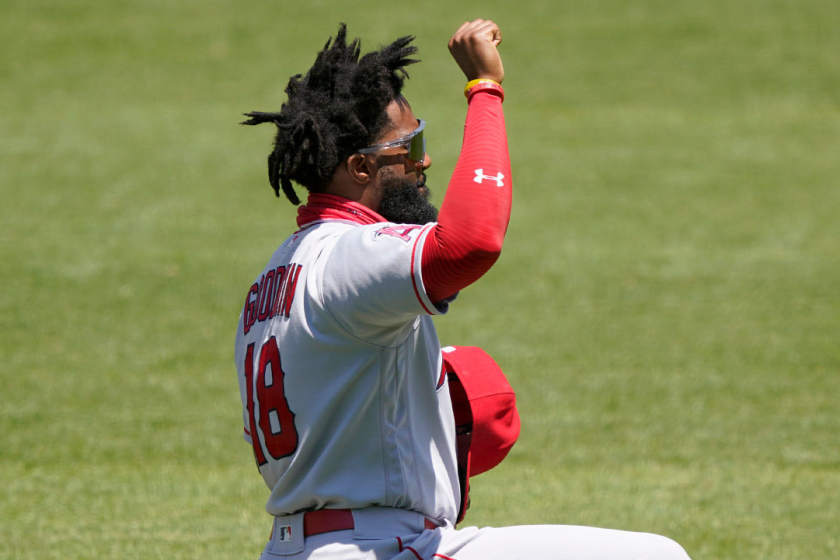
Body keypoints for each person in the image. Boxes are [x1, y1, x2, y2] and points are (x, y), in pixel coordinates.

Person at [235, 19, 692, 560]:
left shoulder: (272, 280)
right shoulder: (350, 255)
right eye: (412, 145)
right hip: (378, 546)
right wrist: (486, 88)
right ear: (359, 167)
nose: (425, 160)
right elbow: (470, 243)